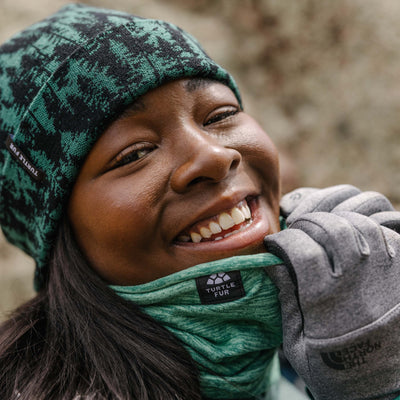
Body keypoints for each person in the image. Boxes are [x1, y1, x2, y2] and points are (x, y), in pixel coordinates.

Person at [0, 4, 399, 400]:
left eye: (219, 115)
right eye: (134, 154)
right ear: (60, 235)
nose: (213, 155)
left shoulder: (291, 359)